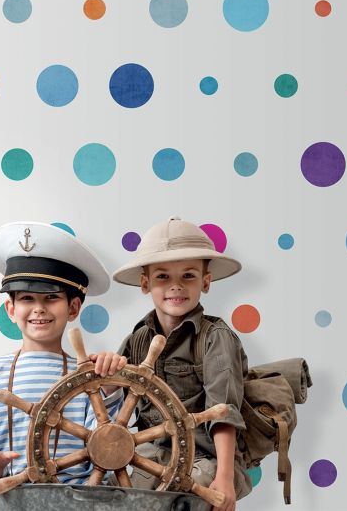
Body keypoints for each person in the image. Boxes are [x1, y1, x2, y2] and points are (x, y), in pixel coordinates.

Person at [0, 221, 126, 494]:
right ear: (11, 309)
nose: (39, 308)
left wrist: (108, 389)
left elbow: (108, 452)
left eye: (50, 297)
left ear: (73, 308)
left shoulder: (88, 378)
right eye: (27, 298)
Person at [113, 217, 252, 511]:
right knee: (107, 495)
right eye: (162, 276)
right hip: (148, 454)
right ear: (145, 283)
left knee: (180, 502)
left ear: (205, 281)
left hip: (205, 458)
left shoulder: (215, 338)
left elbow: (224, 412)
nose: (176, 286)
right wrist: (104, 367)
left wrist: (225, 477)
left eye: (188, 276)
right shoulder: (136, 341)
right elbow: (111, 399)